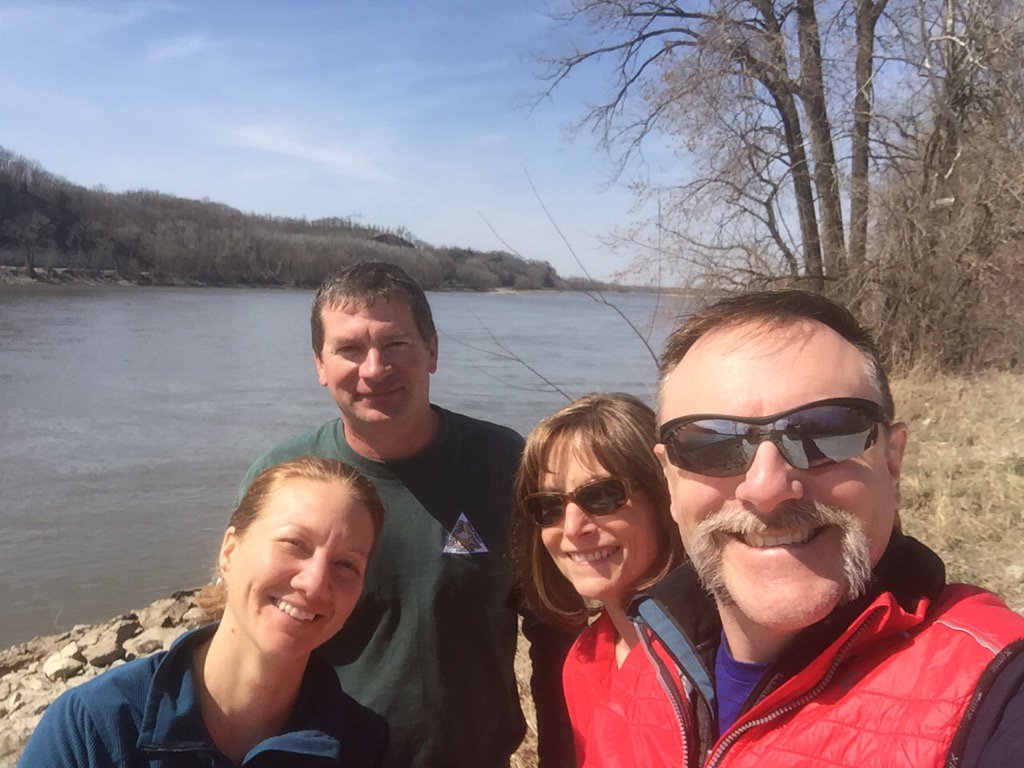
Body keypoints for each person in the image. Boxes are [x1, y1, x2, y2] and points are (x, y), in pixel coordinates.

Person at [633, 289, 1024, 767]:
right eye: (710, 444)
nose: (766, 487)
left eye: (822, 432)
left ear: (893, 462)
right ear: (670, 479)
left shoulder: (1000, 693)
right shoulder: (638, 655)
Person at [239, 262, 574, 768]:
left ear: (433, 351)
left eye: (395, 345)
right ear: (319, 365)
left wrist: (562, 756)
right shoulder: (283, 477)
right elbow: (241, 640)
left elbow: (556, 631)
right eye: (349, 349)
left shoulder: (504, 464)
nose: (374, 369)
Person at [18, 456, 389, 767]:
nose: (315, 582)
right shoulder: (96, 727)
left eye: (346, 565)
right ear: (229, 551)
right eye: (294, 544)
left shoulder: (360, 745)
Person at [512, 393, 685, 767]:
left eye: (603, 496)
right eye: (551, 506)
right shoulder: (586, 659)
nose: (572, 528)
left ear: (664, 499)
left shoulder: (717, 658)